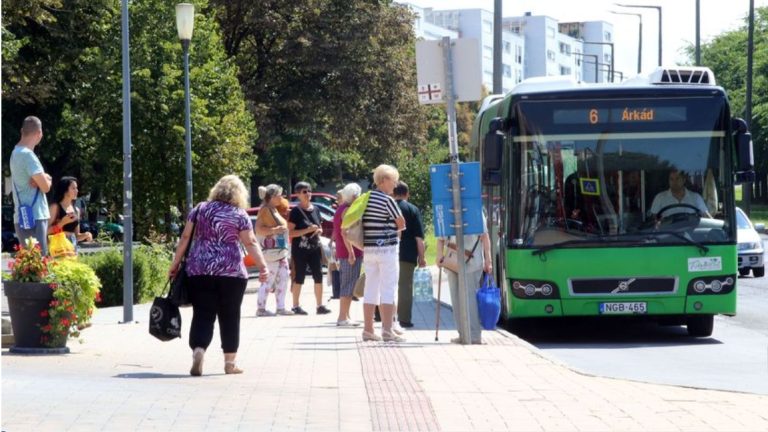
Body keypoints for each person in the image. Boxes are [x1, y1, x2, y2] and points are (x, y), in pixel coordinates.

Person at [168, 175, 269, 376]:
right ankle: (230, 363)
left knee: (202, 313)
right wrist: (263, 267)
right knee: (230, 315)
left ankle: (198, 350)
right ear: (239, 193)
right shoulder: (239, 214)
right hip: (231, 272)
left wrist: (175, 263)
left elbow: (186, 237)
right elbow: (250, 242)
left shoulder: (200, 209)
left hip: (199, 269)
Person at [361, 165, 405, 342]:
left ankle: (368, 330)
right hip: (387, 249)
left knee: (370, 288)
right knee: (388, 288)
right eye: (393, 181)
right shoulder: (388, 201)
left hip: (369, 249)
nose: (395, 185)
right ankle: (387, 330)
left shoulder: (365, 198)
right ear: (384, 180)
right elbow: (401, 223)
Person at [436, 216, 492, 345]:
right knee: (456, 299)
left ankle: (474, 335)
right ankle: (462, 333)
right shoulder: (447, 210)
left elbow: (485, 236)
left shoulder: (475, 210)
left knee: (470, 299)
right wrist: (439, 255)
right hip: (452, 261)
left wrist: (488, 260)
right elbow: (440, 238)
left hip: (472, 262)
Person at [10, 116, 52, 255]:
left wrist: (43, 178)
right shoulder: (28, 156)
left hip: (21, 216)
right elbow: (45, 187)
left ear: (22, 131)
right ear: (39, 134)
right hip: (36, 216)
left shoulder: (15, 153)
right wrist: (47, 178)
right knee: (39, 265)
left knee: (29, 266)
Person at [288, 181, 331, 315]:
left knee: (318, 275)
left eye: (309, 191)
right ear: (298, 195)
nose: (308, 194)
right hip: (300, 249)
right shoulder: (295, 211)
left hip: (315, 248)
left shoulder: (316, 209)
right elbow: (290, 233)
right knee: (299, 276)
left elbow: (320, 226)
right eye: (304, 192)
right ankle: (295, 305)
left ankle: (320, 305)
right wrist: (307, 230)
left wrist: (318, 230)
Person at [254, 184, 293, 317]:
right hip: (271, 253)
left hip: (279, 252)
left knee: (283, 279)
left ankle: (280, 307)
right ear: (271, 197)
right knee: (268, 280)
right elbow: (258, 229)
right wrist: (275, 230)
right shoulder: (265, 210)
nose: (281, 197)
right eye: (279, 195)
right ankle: (261, 309)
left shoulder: (273, 209)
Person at [393, 181, 426, 328]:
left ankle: (380, 315)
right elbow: (419, 238)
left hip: (389, 250)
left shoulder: (388, 207)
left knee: (387, 284)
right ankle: (404, 319)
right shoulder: (413, 209)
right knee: (405, 286)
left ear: (393, 193)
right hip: (408, 254)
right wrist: (422, 258)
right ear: (407, 194)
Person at [333, 183, 363, 327]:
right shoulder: (346, 210)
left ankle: (346, 315)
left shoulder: (341, 209)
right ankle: (342, 317)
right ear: (353, 196)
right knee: (348, 284)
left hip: (346, 252)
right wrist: (351, 252)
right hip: (349, 252)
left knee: (349, 283)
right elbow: (345, 233)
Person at [47, 177, 93, 251]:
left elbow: (76, 236)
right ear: (65, 190)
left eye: (77, 188)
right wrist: (62, 223)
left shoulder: (76, 210)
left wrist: (86, 235)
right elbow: (45, 231)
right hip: (57, 250)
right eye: (73, 188)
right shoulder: (55, 207)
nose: (77, 191)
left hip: (71, 250)